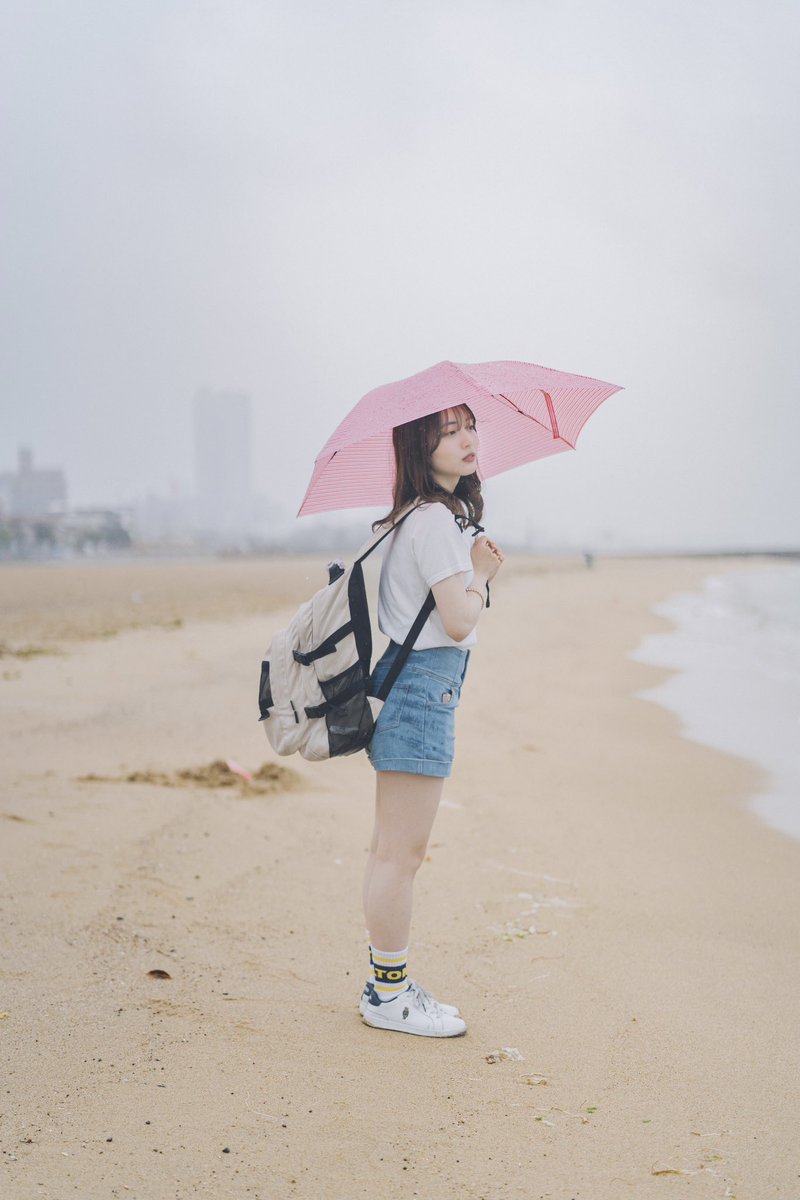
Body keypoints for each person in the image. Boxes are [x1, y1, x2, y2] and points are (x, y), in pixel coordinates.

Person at [359, 403, 504, 1037]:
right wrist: (482, 575)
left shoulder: (416, 517)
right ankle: (388, 995)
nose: (468, 439)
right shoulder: (435, 521)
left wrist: (471, 568)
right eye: (450, 431)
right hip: (423, 689)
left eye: (470, 426)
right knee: (400, 855)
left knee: (391, 851)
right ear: (422, 445)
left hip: (413, 687)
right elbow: (458, 620)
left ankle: (385, 985)